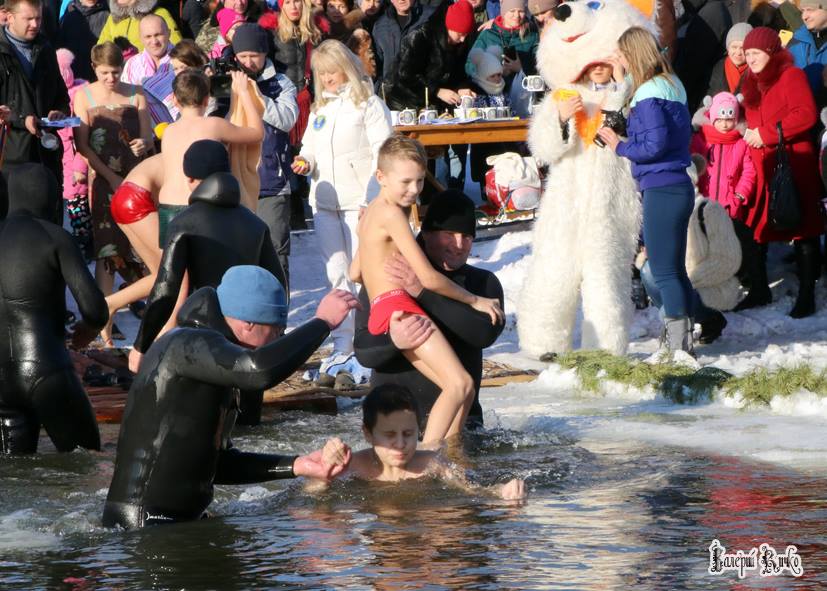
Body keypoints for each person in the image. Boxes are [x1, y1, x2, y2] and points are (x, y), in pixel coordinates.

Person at [102, 265, 358, 529]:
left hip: (174, 522)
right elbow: (258, 371)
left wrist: (298, 465)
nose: (277, 341)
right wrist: (322, 323)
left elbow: (217, 465)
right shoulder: (185, 344)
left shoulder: (213, 360)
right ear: (249, 323)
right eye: (277, 331)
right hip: (145, 525)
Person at [351, 135, 503, 445]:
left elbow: (355, 272)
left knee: (464, 388)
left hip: (386, 305)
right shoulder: (393, 214)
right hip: (399, 307)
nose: (414, 190)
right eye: (406, 181)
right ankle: (430, 456)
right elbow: (428, 279)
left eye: (420, 181)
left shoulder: (374, 215)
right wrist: (475, 300)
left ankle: (449, 452)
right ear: (380, 177)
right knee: (460, 384)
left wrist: (368, 243)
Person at [131, 140, 287, 425]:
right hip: (249, 341)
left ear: (190, 179)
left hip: (204, 343)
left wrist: (141, 345)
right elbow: (278, 284)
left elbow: (165, 290)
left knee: (205, 429)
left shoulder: (184, 223)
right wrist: (275, 334)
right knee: (249, 430)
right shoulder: (255, 224)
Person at [291, 39, 392, 369]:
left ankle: (373, 339)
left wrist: (372, 198)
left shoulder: (369, 104)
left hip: (358, 202)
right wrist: (304, 161)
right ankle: (342, 343)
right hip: (325, 202)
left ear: (345, 66)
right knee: (335, 272)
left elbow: (384, 152)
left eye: (331, 70)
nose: (327, 77)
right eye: (320, 72)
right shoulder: (322, 108)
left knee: (362, 273)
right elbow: (309, 146)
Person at [597, 27, 694, 357]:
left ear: (633, 53)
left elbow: (653, 144)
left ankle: (678, 348)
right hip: (677, 185)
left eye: (623, 54)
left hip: (661, 187)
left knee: (664, 272)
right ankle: (681, 343)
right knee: (675, 270)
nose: (619, 59)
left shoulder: (649, 93)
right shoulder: (671, 84)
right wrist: (623, 77)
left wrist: (619, 145)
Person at [0, 164, 108, 454]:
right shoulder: (54, 237)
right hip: (47, 370)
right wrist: (86, 332)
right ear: (51, 198)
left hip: (1, 384)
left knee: (18, 476)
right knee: (86, 464)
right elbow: (95, 310)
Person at [739, 26, 824, 318]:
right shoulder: (749, 81)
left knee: (803, 229)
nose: (750, 59)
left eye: (756, 53)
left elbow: (806, 114)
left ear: (771, 51)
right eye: (747, 53)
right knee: (755, 225)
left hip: (793, 163)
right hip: (762, 165)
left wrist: (766, 134)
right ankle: (760, 289)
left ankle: (807, 295)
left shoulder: (791, 76)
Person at [73, 41, 154, 345]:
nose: (111, 78)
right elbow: (82, 145)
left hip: (137, 179)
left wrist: (144, 144)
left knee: (142, 249)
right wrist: (109, 177)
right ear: (94, 68)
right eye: (105, 72)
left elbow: (147, 135)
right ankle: (104, 329)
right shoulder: (84, 96)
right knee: (107, 252)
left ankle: (149, 325)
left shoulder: (136, 93)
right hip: (105, 182)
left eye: (116, 72)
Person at [316, 384, 526, 499]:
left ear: (418, 429)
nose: (400, 444)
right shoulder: (353, 465)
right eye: (389, 435)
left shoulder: (431, 463)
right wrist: (326, 469)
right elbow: (312, 493)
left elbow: (473, 489)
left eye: (408, 434)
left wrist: (502, 492)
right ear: (368, 434)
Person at [155, 67, 263, 248]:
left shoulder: (168, 130)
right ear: (207, 100)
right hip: (200, 208)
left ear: (174, 99)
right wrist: (243, 93)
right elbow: (257, 133)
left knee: (177, 271)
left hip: (169, 207)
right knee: (208, 270)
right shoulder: (214, 125)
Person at [233, 24, 298, 284]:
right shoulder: (226, 79)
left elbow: (288, 119)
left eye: (254, 55)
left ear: (265, 54)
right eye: (243, 56)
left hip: (272, 181)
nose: (248, 62)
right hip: (234, 182)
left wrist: (257, 96)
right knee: (238, 256)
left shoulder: (280, 82)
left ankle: (278, 319)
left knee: (275, 252)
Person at [0, 0, 70, 212]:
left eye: (38, 18)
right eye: (28, 18)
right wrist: (22, 119)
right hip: (11, 155)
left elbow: (61, 95)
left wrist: (60, 112)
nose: (34, 24)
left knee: (50, 218)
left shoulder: (45, 47)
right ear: (9, 17)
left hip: (46, 154)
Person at [386, 0, 476, 111]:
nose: (463, 39)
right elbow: (407, 75)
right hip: (405, 105)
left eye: (466, 35)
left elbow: (457, 75)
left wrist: (461, 89)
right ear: (449, 26)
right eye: (459, 34)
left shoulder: (460, 44)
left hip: (433, 107)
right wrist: (436, 90)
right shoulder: (422, 37)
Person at [673, 0, 732, 112]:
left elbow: (692, 64)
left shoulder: (712, 13)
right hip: (696, 95)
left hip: (702, 100)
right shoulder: (694, 12)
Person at [466, 0, 539, 86]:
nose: (517, 16)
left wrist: (521, 69)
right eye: (512, 11)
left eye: (521, 11)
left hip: (521, 93)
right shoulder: (488, 34)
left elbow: (540, 71)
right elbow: (469, 66)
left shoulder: (532, 36)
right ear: (504, 11)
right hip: (492, 92)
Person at [372, 0, 434, 94]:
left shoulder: (431, 17)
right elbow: (377, 67)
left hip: (422, 94)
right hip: (391, 96)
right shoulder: (380, 26)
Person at [96, 0, 181, 51]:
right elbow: (101, 49)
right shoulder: (112, 18)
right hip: (118, 75)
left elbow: (177, 47)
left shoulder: (159, 13)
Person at [57, 0, 109, 82]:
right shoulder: (70, 9)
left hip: (100, 80)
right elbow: (61, 45)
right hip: (73, 81)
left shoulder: (109, 11)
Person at [788, 0, 827, 108]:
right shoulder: (796, 41)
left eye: (810, 10)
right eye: (802, 11)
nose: (804, 16)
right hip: (800, 116)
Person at [120, 13, 172, 85]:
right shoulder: (133, 64)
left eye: (158, 35)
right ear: (141, 38)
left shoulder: (183, 59)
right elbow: (127, 94)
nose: (154, 42)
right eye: (148, 36)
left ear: (169, 34)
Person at [706, 22, 752, 97]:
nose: (738, 52)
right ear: (728, 48)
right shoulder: (716, 69)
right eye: (734, 47)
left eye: (742, 48)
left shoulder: (756, 71)